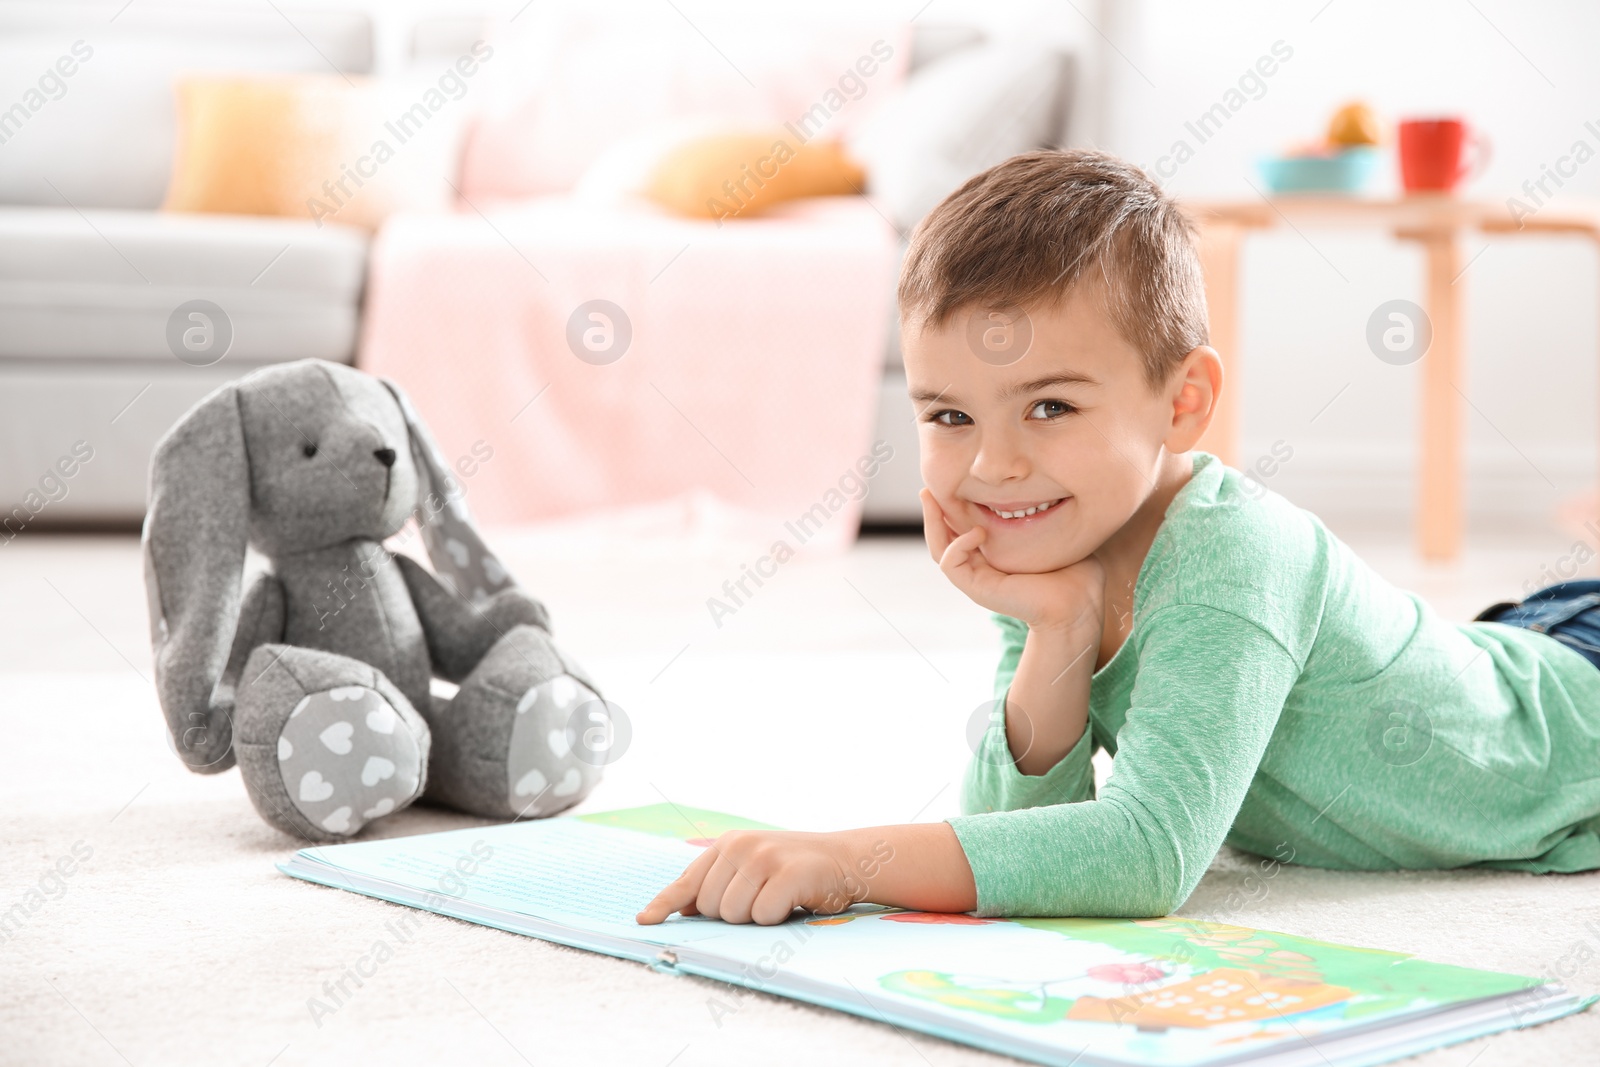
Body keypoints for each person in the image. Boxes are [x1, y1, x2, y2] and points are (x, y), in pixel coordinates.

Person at [636, 148, 1600, 927]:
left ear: (1183, 404)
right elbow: (1022, 836)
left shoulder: (1233, 554)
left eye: (1048, 405)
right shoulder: (1057, 540)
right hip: (1508, 644)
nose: (993, 467)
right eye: (949, 416)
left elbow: (1145, 854)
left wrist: (851, 860)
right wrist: (1056, 632)